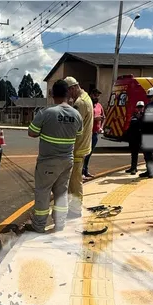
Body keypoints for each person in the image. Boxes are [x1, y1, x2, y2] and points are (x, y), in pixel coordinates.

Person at [26, 79, 83, 233]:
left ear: (52, 94)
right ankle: (59, 224)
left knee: (43, 192)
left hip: (48, 162)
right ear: (68, 94)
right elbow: (78, 135)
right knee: (61, 192)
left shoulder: (46, 113)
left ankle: (39, 226)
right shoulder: (76, 114)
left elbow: (31, 132)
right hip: (67, 161)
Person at [64, 76, 93, 219]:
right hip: (84, 145)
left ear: (73, 88)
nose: (68, 95)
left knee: (75, 180)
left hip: (78, 147)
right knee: (75, 178)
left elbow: (73, 126)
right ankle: (74, 207)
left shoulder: (80, 103)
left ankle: (75, 210)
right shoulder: (86, 97)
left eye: (68, 91)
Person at [82, 88, 104, 180]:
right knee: (84, 153)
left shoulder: (99, 106)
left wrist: (101, 127)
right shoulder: (87, 105)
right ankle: (81, 172)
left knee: (89, 153)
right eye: (95, 95)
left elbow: (103, 117)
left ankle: (86, 171)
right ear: (90, 95)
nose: (96, 97)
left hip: (95, 133)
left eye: (98, 95)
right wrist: (95, 119)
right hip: (87, 133)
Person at [125, 101, 145, 174]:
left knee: (146, 153)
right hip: (133, 137)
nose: (140, 109)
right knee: (134, 153)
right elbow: (130, 126)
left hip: (141, 137)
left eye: (141, 107)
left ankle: (149, 168)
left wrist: (140, 119)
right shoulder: (134, 116)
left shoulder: (145, 116)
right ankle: (133, 168)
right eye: (138, 107)